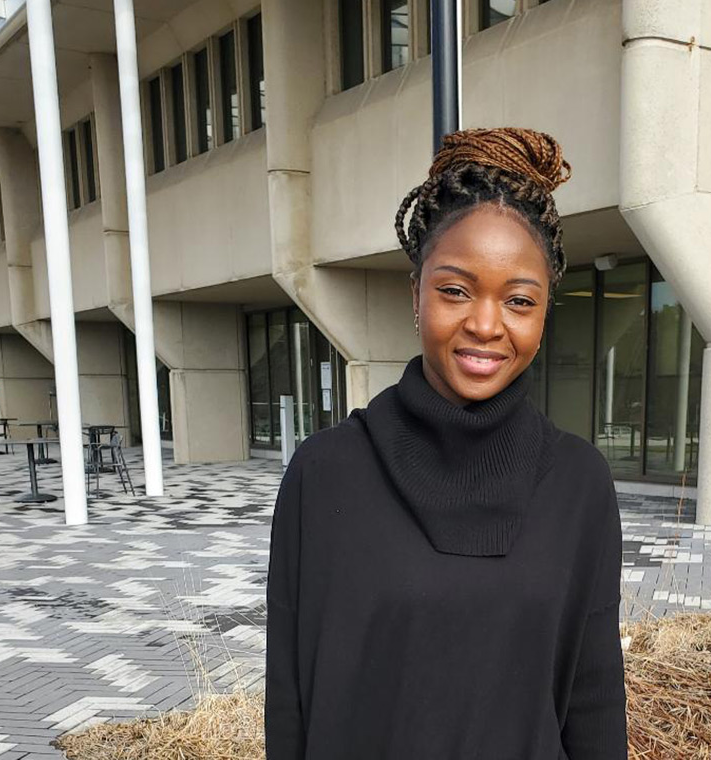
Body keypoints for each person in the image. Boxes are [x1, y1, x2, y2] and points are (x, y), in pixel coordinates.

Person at [265, 127, 628, 759]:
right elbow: (290, 699)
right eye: (455, 290)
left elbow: (594, 703)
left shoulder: (579, 483)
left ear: (543, 314)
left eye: (518, 300)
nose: (485, 325)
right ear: (416, 294)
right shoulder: (325, 475)